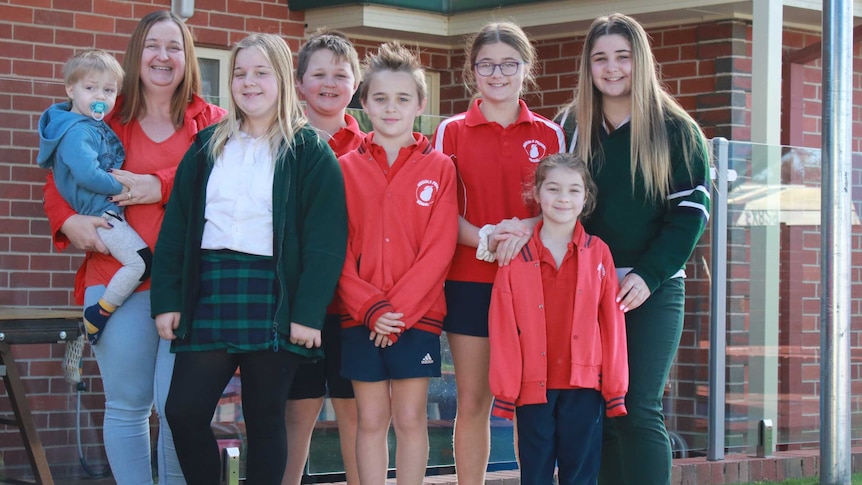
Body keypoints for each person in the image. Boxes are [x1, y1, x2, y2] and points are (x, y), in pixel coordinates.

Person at [150, 32, 347, 485]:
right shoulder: (205, 147)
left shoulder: (309, 151)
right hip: (211, 291)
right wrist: (167, 300)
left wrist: (308, 313)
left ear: (281, 79)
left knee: (264, 419)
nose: (248, 82)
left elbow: (325, 242)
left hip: (274, 299)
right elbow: (176, 230)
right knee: (182, 411)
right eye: (240, 73)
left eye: (260, 73)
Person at [41, 10, 225, 484]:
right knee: (127, 407)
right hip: (115, 282)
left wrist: (157, 184)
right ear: (135, 54)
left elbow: (223, 184)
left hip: (190, 289)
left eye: (174, 46)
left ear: (188, 57)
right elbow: (59, 176)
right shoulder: (107, 113)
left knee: (178, 410)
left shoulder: (212, 121)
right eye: (152, 46)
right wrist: (69, 220)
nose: (163, 56)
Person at [555, 13, 710, 485]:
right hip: (586, 287)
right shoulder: (570, 127)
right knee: (596, 409)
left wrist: (647, 275)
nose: (612, 67)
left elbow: (690, 215)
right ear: (588, 66)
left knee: (638, 407)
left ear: (639, 60)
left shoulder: (676, 130)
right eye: (600, 57)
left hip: (652, 288)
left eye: (622, 56)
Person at [431, 21, 565, 485]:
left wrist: (524, 229)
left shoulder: (551, 135)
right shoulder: (450, 132)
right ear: (472, 71)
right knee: (473, 402)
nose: (497, 73)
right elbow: (438, 212)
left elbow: (565, 206)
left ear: (525, 69)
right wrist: (489, 239)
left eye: (509, 64)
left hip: (535, 282)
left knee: (533, 399)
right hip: (470, 279)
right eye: (486, 64)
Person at [337, 41, 458, 485]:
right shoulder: (344, 168)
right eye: (381, 98)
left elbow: (439, 250)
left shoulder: (441, 167)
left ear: (420, 105)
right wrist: (371, 309)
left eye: (403, 99)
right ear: (364, 102)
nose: (391, 108)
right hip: (359, 318)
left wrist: (396, 313)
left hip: (417, 318)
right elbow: (337, 250)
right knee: (370, 419)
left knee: (410, 418)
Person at [488, 153, 628, 485]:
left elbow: (612, 323)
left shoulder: (598, 253)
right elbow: (503, 326)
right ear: (536, 194)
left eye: (573, 190)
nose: (563, 198)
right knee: (534, 473)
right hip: (533, 387)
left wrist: (615, 385)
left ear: (586, 198)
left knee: (580, 473)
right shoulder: (516, 254)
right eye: (553, 188)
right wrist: (507, 388)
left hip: (585, 386)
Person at [283, 29, 363, 485]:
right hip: (301, 305)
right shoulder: (283, 144)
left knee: (356, 415)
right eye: (319, 75)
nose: (329, 84)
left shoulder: (371, 147)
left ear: (355, 85)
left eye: (340, 74)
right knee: (298, 414)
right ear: (299, 85)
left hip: (354, 307)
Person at [38, 49, 151, 346]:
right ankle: (98, 314)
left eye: (108, 90)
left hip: (103, 211)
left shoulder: (91, 125)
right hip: (102, 215)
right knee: (140, 263)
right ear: (70, 90)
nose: (99, 95)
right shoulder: (78, 132)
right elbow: (87, 173)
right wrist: (122, 188)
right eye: (90, 88)